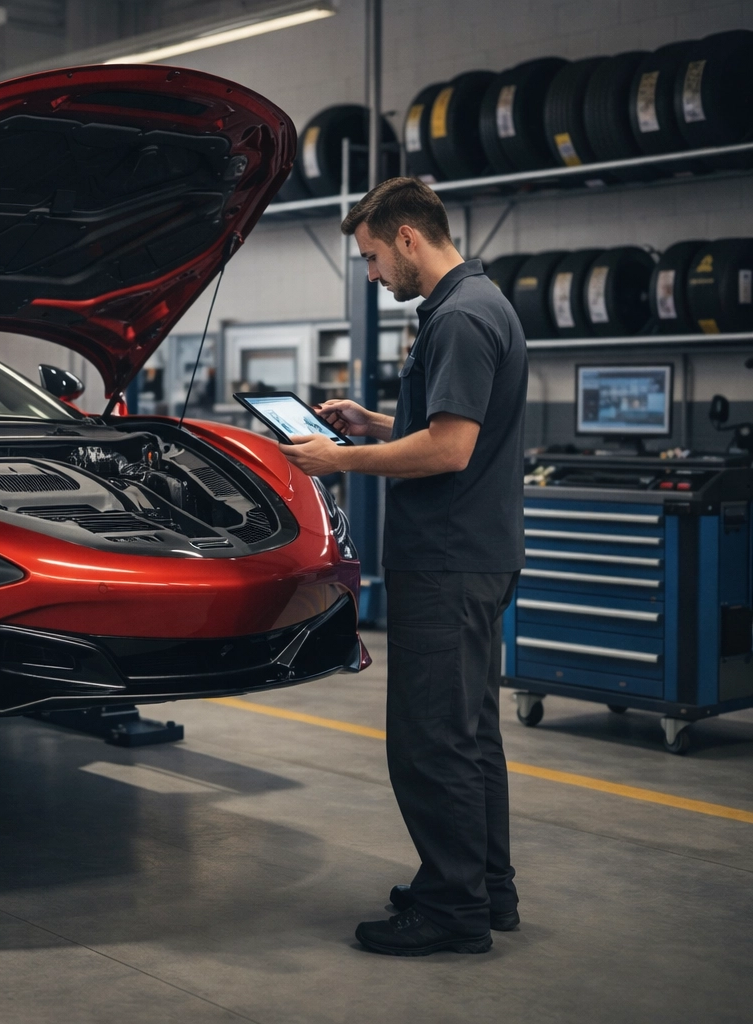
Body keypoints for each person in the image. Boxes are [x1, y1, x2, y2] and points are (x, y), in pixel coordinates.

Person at [279, 177, 528, 957]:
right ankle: (487, 890)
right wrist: (377, 422)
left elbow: (450, 449)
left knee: (429, 741)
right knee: (469, 732)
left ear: (410, 239)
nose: (374, 274)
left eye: (375, 257)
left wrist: (340, 459)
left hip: (447, 561)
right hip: (476, 555)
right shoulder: (482, 304)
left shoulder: (457, 317)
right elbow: (457, 423)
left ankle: (451, 910)